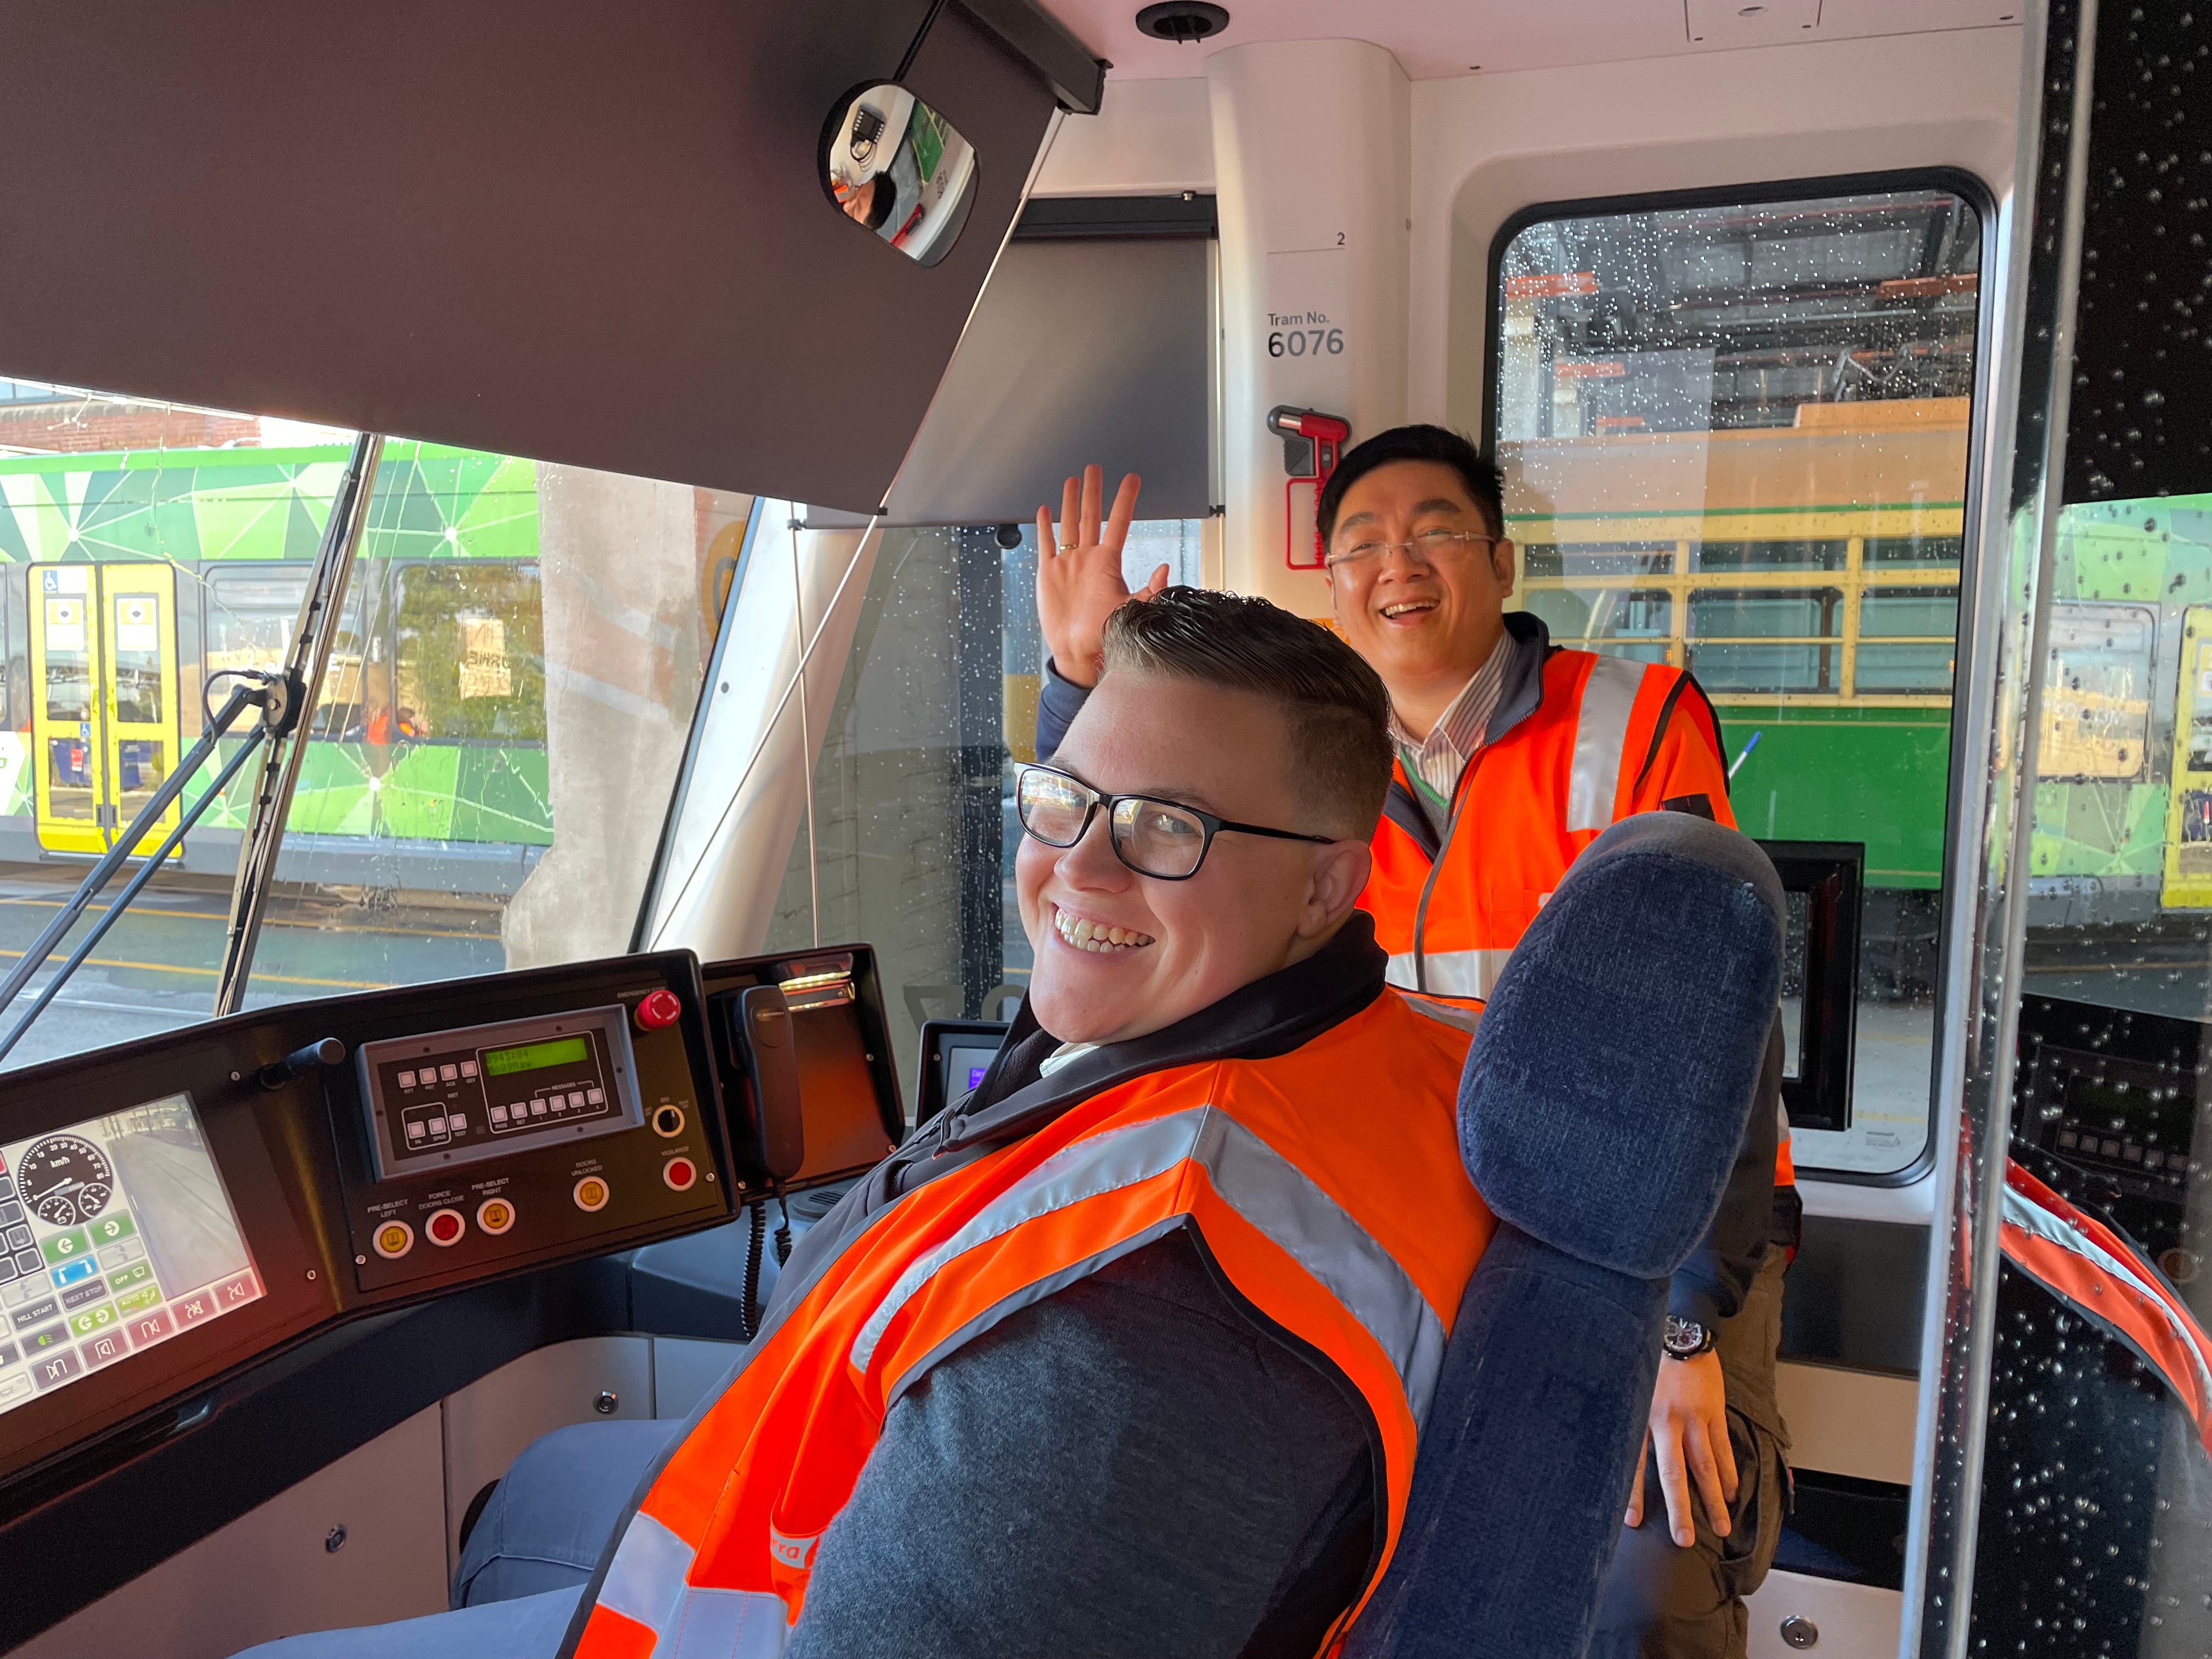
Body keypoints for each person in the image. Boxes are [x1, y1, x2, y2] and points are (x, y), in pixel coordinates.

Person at [238, 588, 1498, 1659]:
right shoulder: (1380, 1052)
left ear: (1332, 882)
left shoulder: (1143, 1316)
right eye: (1065, 797)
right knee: (549, 1476)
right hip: (831, 1498)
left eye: (1170, 829)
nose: (1080, 871)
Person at [1034, 430, 1799, 1659]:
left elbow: (1719, 1040)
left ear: (1499, 559)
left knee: (1644, 1588)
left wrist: (1684, 1321)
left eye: (1435, 530)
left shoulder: (1634, 717)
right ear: (1331, 583)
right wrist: (1082, 677)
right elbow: (1116, 853)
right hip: (1406, 1224)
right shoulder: (1303, 766)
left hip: (1641, 1243)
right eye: (1361, 544)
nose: (1399, 564)